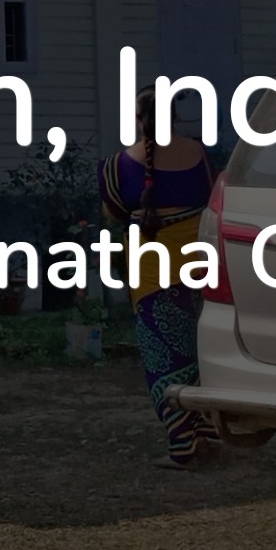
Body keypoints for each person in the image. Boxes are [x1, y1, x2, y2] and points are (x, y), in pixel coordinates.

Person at [105, 120, 217, 465]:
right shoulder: (198, 153)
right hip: (197, 261)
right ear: (173, 117)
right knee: (202, 346)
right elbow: (211, 195)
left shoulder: (118, 164)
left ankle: (182, 444)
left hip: (150, 268)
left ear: (138, 122)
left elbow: (113, 212)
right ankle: (208, 431)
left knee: (162, 353)